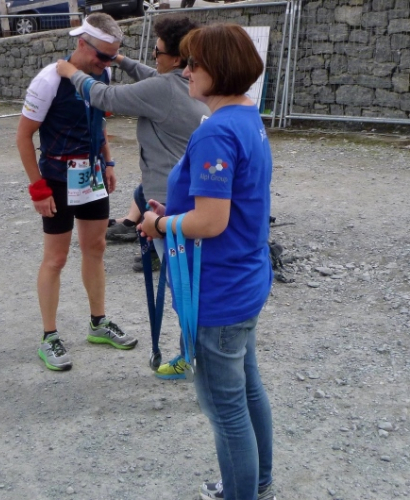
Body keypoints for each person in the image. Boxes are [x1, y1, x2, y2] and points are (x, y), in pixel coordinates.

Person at [137, 23, 275, 500]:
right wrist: (175, 213)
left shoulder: (216, 131)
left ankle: (242, 492)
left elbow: (212, 221)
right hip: (244, 278)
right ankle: (256, 482)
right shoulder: (246, 116)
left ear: (219, 68)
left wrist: (160, 225)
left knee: (225, 407)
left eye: (194, 63)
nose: (185, 70)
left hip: (219, 291)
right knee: (247, 388)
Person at [16, 13, 138, 371]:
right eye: (102, 56)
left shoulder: (103, 75)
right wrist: (38, 188)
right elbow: (23, 136)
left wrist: (108, 161)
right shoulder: (49, 80)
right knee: (56, 258)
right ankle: (49, 336)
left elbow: (99, 123)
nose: (107, 63)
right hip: (57, 177)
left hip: (92, 174)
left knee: (96, 248)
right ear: (82, 44)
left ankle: (98, 323)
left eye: (112, 57)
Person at [56, 14, 209, 272]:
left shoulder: (163, 90)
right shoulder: (191, 82)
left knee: (179, 275)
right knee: (140, 193)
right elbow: (153, 76)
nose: (153, 56)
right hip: (189, 185)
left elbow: (105, 96)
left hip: (168, 195)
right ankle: (155, 240)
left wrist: (72, 73)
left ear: (175, 59)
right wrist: (119, 59)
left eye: (157, 52)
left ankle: (161, 247)